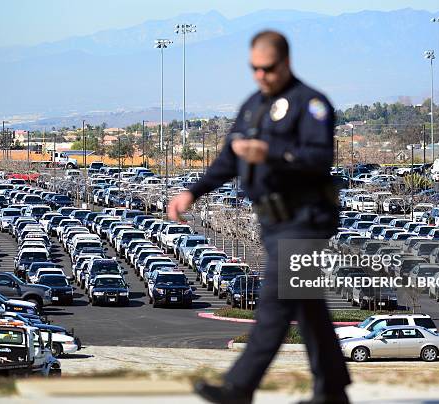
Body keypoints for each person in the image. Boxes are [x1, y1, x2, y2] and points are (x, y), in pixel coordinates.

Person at [168, 31, 351, 404]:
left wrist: (270, 152)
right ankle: (332, 388)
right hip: (272, 220)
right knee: (307, 303)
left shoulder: (311, 104)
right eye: (254, 69)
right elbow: (228, 159)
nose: (260, 76)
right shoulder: (253, 105)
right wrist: (193, 191)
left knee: (275, 301)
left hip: (305, 218)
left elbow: (319, 160)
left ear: (285, 63)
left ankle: (239, 386)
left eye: (267, 69)